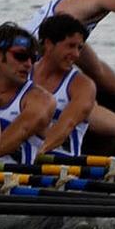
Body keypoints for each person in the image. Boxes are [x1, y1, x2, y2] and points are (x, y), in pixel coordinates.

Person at [0, 23, 54, 166]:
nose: (28, 64)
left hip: (11, 182)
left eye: (33, 59)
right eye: (21, 56)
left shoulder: (41, 99)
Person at [28, 13, 99, 159]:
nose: (76, 54)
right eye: (71, 46)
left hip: (60, 166)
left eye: (79, 48)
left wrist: (36, 155)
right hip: (16, 160)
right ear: (48, 44)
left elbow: (65, 127)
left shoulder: (82, 85)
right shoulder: (22, 74)